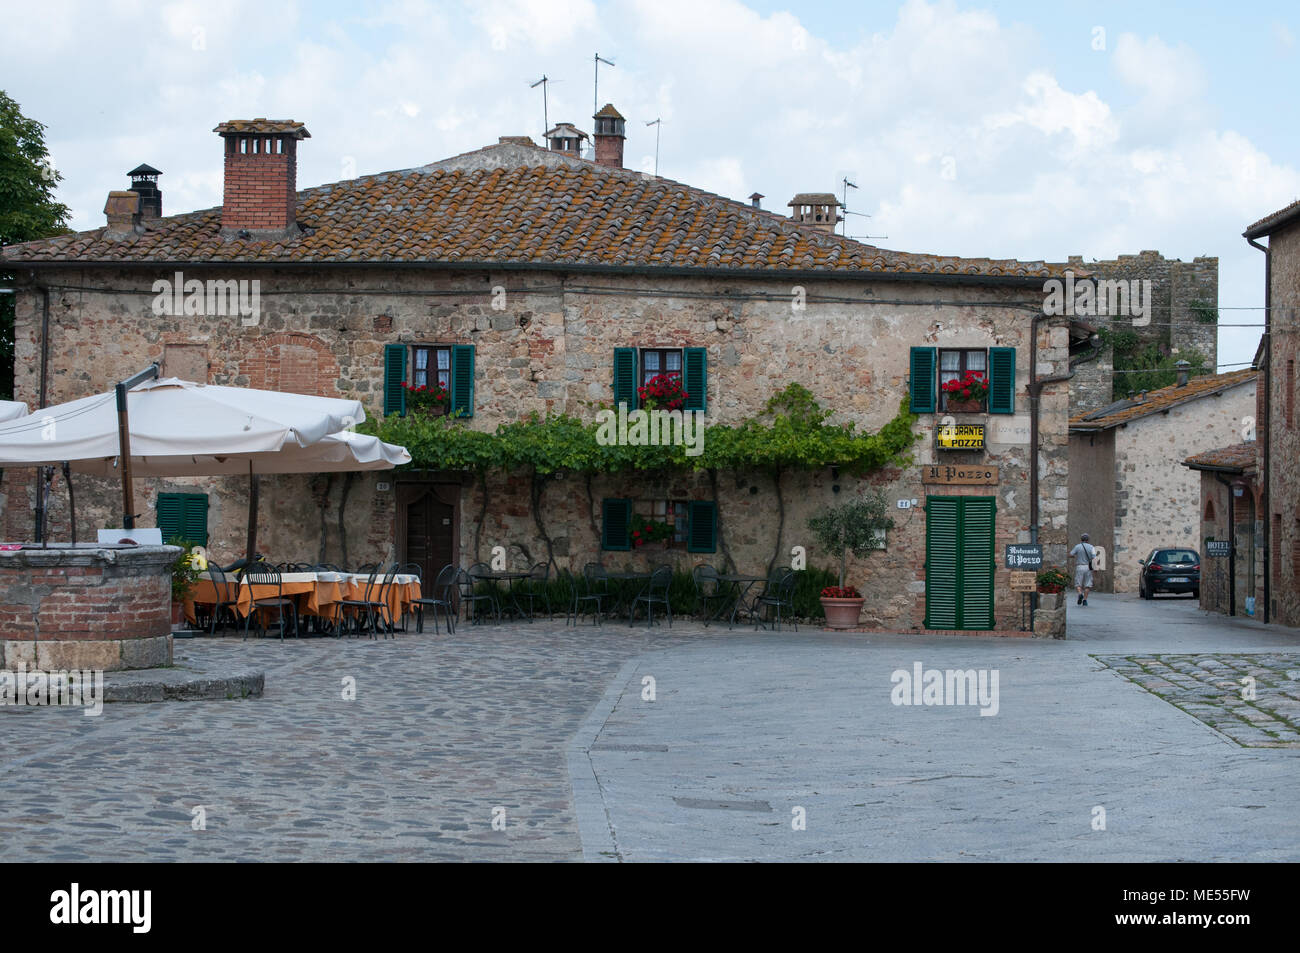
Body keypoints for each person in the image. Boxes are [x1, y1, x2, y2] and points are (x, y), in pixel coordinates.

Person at [1069, 533, 1097, 606]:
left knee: (1078, 583)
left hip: (1080, 566)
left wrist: (1075, 556)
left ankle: (1080, 593)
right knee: (1088, 584)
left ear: (1081, 539)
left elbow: (1070, 554)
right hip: (1088, 567)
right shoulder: (1091, 547)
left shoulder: (1077, 547)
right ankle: (1085, 600)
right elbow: (1094, 558)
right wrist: (1095, 567)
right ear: (1088, 540)